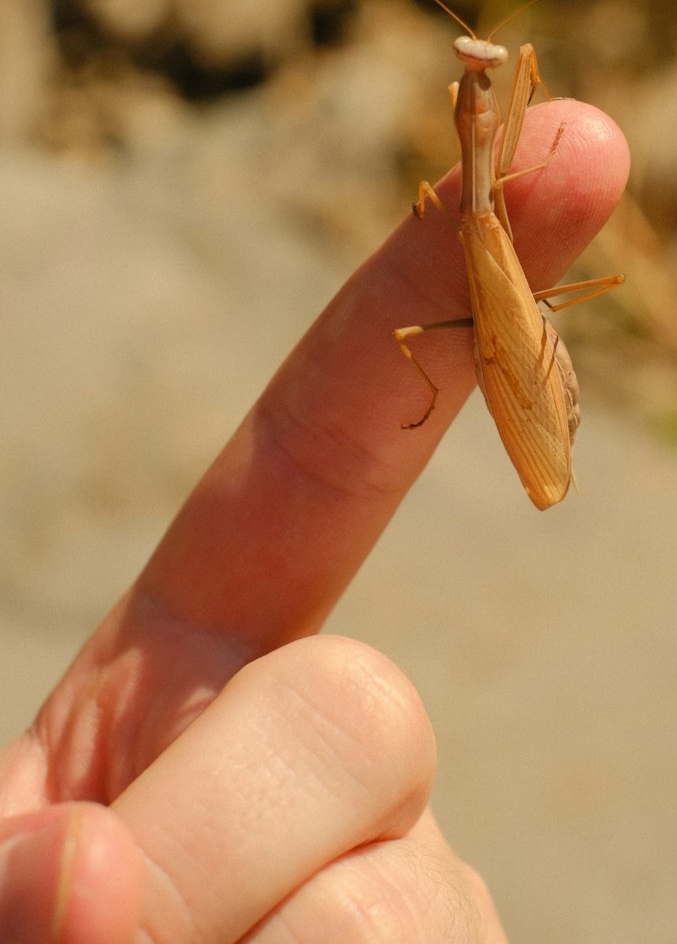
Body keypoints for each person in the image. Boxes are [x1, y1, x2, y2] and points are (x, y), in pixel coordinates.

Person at [0, 97, 629, 942]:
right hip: (499, 315)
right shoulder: (469, 206)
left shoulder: (475, 197)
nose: (474, 88)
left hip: (513, 320)